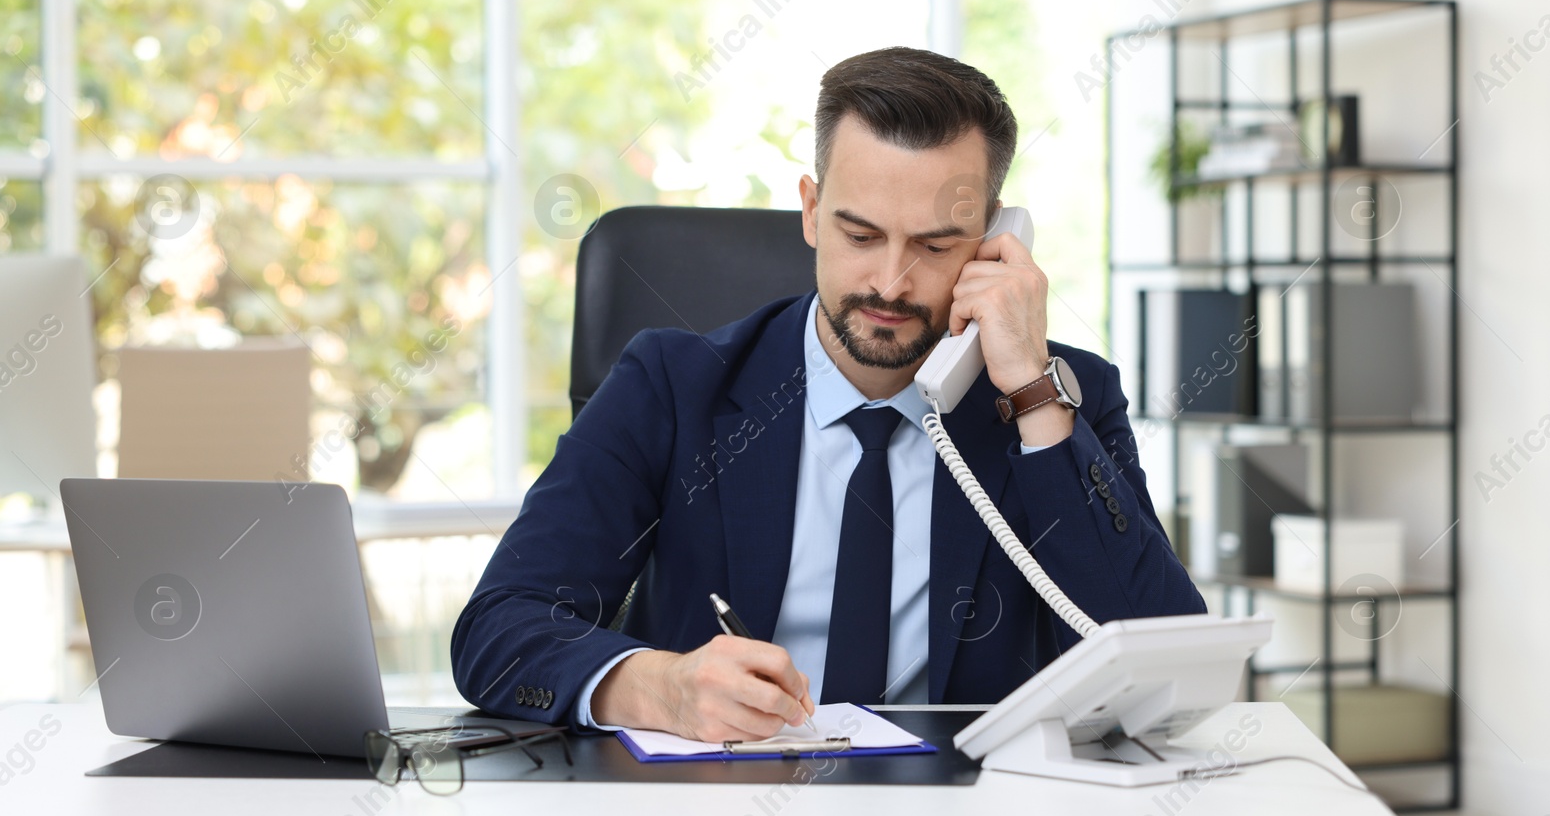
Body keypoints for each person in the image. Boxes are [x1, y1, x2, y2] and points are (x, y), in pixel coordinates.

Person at [451, 46, 1205, 742]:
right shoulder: (672, 385)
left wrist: (1034, 398)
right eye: (861, 234)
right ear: (812, 211)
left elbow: (1164, 674)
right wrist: (659, 687)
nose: (890, 282)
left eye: (936, 245)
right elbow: (500, 627)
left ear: (993, 241)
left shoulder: (1060, 398)